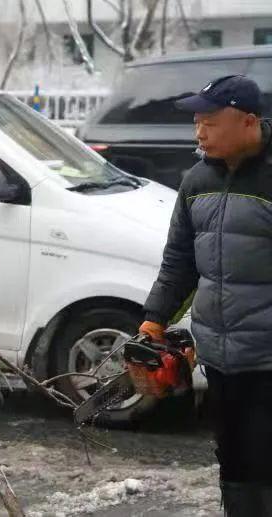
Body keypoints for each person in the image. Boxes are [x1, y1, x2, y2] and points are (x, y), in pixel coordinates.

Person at [141, 75, 272, 516]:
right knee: (233, 461)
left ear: (249, 122)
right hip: (220, 356)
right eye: (197, 122)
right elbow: (179, 261)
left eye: (211, 122)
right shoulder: (197, 181)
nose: (199, 132)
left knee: (263, 461)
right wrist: (154, 320)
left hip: (268, 360)